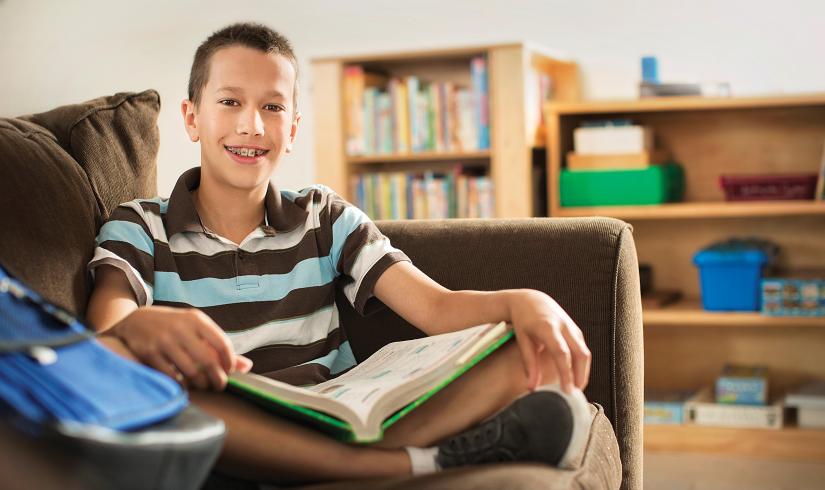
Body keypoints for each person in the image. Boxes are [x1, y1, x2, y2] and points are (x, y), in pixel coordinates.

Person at [86, 22, 593, 485]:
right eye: (230, 102)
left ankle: (347, 462)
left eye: (273, 106)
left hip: (337, 412)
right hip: (227, 417)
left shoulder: (323, 216)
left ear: (294, 127)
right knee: (133, 371)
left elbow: (437, 308)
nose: (252, 126)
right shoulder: (139, 224)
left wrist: (525, 302)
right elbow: (106, 330)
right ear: (192, 117)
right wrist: (136, 326)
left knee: (520, 348)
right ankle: (411, 465)